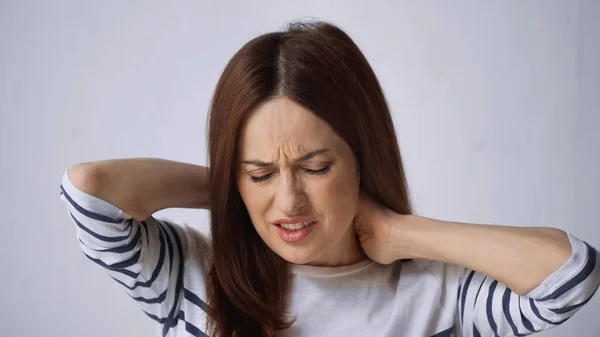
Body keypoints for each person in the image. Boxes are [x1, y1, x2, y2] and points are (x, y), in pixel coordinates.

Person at [59, 21, 600, 337]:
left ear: (365, 159)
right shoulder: (191, 278)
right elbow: (91, 191)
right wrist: (233, 196)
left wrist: (399, 234)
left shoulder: (442, 295)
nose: (288, 200)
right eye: (261, 172)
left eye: (315, 168)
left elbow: (570, 274)